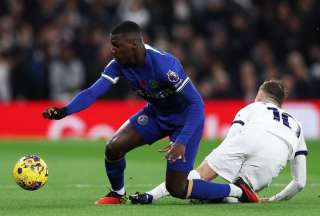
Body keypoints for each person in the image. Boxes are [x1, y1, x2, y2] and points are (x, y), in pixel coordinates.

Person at [43, 21, 253, 205]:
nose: (112, 50)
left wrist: (182, 140)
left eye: (116, 45)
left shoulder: (165, 66)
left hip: (184, 121)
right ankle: (117, 193)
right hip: (156, 114)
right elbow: (93, 91)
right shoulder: (118, 65)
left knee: (177, 188)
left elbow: (197, 105)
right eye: (111, 45)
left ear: (133, 44)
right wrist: (64, 111)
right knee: (113, 147)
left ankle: (237, 191)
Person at [130, 80, 308, 204]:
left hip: (247, 140)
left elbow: (233, 138)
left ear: (260, 95)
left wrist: (219, 160)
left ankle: (150, 196)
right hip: (273, 159)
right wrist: (274, 199)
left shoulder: (254, 107)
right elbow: (300, 182)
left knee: (197, 176)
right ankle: (240, 193)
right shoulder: (297, 125)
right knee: (237, 194)